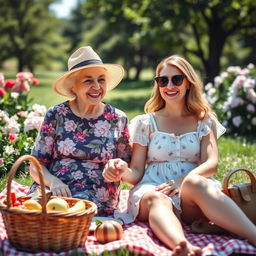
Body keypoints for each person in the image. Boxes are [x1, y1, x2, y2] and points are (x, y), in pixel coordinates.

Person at [103, 55, 256, 255]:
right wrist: (121, 171)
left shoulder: (204, 120)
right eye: (162, 80)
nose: (169, 85)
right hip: (154, 188)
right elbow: (137, 173)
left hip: (190, 196)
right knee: (157, 198)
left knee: (196, 182)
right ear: (158, 85)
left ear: (188, 83)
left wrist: (181, 182)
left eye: (177, 79)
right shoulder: (145, 123)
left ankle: (253, 235)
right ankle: (183, 247)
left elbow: (212, 164)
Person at [28, 46, 131, 216]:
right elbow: (35, 165)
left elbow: (128, 166)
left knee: (70, 215)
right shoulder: (56, 114)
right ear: (73, 87)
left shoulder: (117, 118)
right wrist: (53, 182)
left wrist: (118, 168)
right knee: (32, 212)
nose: (97, 87)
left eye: (101, 80)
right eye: (88, 81)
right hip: (55, 187)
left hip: (96, 194)